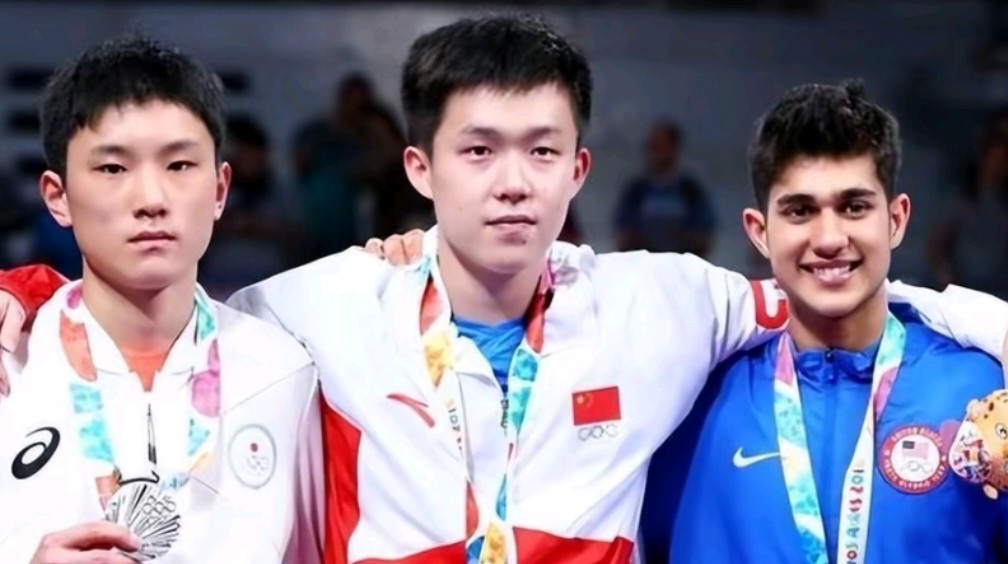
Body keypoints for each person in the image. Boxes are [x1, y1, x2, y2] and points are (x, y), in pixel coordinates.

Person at [2, 17, 1008, 564]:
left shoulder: (665, 303)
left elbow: (835, 284)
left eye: (542, 151)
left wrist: (987, 324)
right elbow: (162, 304)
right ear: (420, 168)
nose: (513, 183)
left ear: (579, 171)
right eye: (478, 150)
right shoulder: (315, 310)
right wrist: (25, 291)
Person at [639, 82, 1008, 563]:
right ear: (759, 232)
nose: (830, 238)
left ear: (896, 220)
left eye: (854, 207)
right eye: (800, 211)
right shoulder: (686, 403)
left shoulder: (981, 391)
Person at [0, 37, 322, 564]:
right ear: (58, 197)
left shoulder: (287, 374)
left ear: (220, 190)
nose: (151, 199)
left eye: (179, 165)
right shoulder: (11, 364)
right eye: (112, 169)